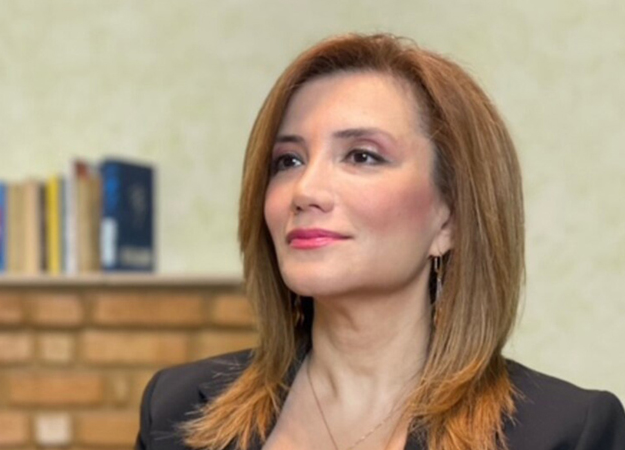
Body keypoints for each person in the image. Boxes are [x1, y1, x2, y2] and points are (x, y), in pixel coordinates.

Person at [135, 34, 625, 450]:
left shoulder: (565, 431)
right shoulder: (175, 409)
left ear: (450, 219)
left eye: (362, 156)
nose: (305, 191)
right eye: (288, 161)